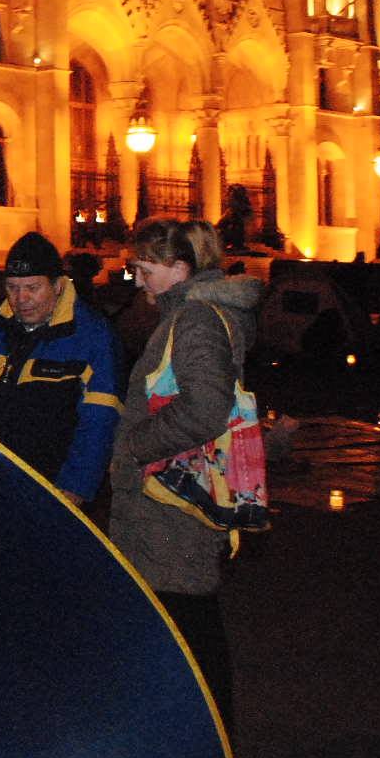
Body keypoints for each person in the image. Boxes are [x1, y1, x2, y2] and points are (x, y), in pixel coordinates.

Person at [109, 218, 263, 730]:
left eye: (144, 268)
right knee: (180, 619)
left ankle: (207, 743)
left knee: (186, 621)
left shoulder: (194, 320)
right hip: (173, 497)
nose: (138, 279)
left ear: (179, 268)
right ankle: (194, 736)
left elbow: (205, 408)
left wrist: (136, 446)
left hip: (172, 501)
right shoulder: (187, 313)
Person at [0, 232, 122, 504]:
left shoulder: (92, 336)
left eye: (32, 288)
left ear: (58, 286)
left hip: (48, 482)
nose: (21, 298)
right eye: (12, 288)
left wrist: (75, 486)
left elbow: (100, 419)